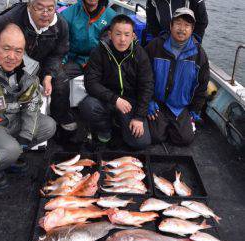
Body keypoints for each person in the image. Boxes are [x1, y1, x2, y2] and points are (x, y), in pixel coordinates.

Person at [0, 0, 76, 134]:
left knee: (61, 80)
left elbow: (58, 53)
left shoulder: (61, 25)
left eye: (50, 9)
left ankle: (61, 116)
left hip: (43, 62)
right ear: (29, 6)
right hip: (14, 61)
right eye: (40, 8)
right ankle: (7, 118)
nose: (45, 14)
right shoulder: (9, 19)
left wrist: (48, 75)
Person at [0, 23, 56, 190]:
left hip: (10, 121)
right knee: (10, 149)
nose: (12, 56)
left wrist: (25, 138)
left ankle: (8, 159)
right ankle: (4, 158)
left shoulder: (27, 72)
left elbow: (32, 104)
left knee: (48, 125)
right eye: (6, 49)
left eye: (18, 51)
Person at [79, 14, 154, 149]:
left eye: (127, 34)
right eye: (118, 34)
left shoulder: (140, 54)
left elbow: (146, 86)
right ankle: (105, 128)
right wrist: (115, 99)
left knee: (140, 142)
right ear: (110, 34)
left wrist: (139, 117)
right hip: (107, 99)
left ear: (133, 36)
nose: (122, 40)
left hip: (130, 103)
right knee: (88, 106)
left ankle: (120, 123)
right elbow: (90, 83)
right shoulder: (99, 52)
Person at [145, 7, 209, 146]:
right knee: (155, 137)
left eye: (187, 25)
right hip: (158, 104)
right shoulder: (155, 46)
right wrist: (148, 100)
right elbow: (144, 77)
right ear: (171, 25)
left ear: (192, 29)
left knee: (184, 139)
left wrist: (195, 109)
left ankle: (178, 123)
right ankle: (163, 125)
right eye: (178, 23)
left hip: (180, 106)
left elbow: (202, 85)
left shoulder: (199, 54)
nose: (182, 29)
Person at [60, 0, 116, 77]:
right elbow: (61, 44)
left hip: (99, 62)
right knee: (58, 76)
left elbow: (113, 46)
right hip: (75, 61)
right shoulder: (67, 14)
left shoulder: (112, 16)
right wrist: (61, 63)